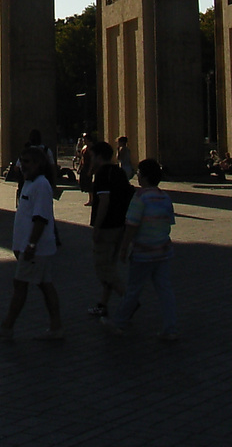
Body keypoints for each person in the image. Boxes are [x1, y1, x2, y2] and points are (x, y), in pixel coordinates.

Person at [0, 148, 63, 340]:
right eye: (22, 162)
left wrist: (31, 245)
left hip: (35, 249)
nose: (23, 166)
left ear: (39, 164)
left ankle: (7, 325)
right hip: (35, 248)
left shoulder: (41, 185)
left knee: (20, 284)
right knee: (45, 285)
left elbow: (41, 218)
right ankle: (56, 327)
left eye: (28, 162)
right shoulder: (30, 184)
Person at [102, 157, 177, 340]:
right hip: (163, 250)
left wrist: (124, 248)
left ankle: (119, 321)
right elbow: (169, 222)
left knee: (134, 289)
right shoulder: (165, 197)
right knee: (165, 290)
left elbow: (132, 225)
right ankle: (170, 328)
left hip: (143, 253)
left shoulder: (139, 197)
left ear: (143, 177)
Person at [86, 141, 132, 318]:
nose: (91, 159)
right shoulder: (118, 172)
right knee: (110, 266)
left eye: (92, 156)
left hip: (106, 227)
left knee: (103, 268)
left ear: (98, 156)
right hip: (120, 225)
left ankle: (129, 301)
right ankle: (102, 305)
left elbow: (103, 203)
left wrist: (96, 227)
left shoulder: (103, 175)